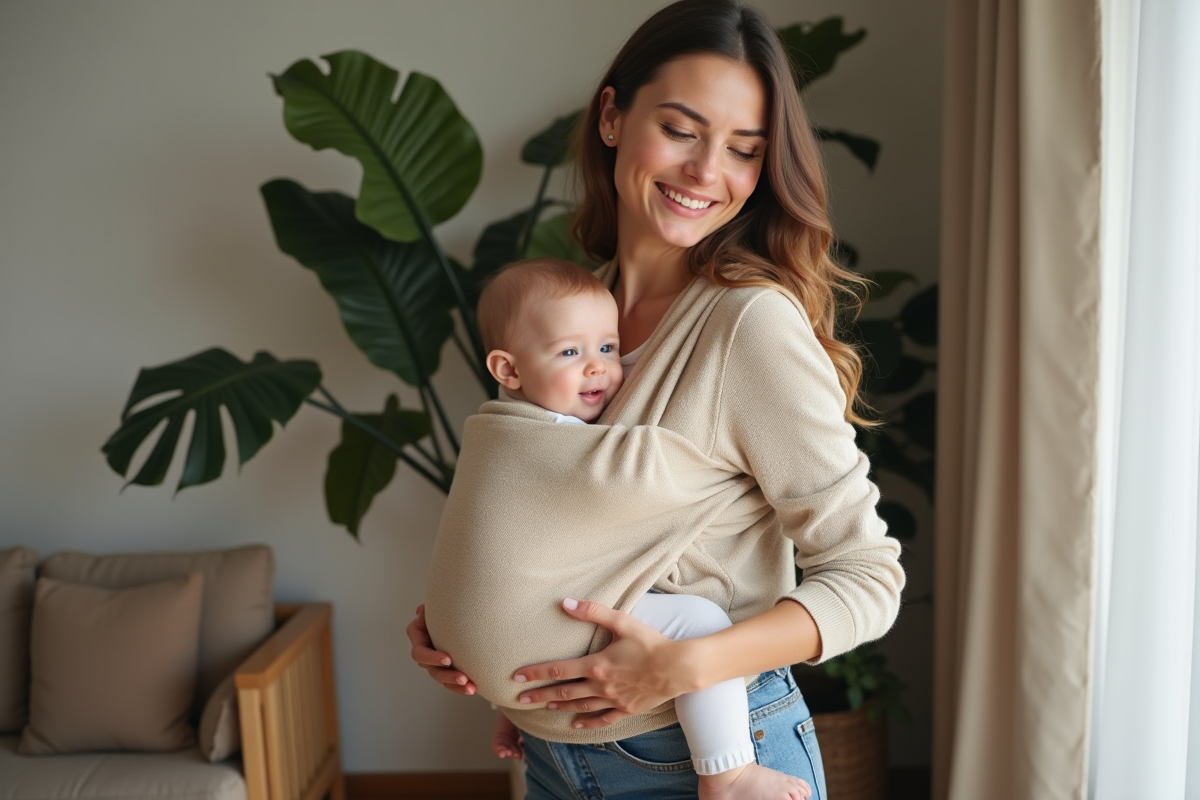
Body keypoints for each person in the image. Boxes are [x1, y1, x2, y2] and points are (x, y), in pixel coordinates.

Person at [408, 1, 905, 796]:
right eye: (681, 130)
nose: (709, 172)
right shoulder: (574, 325)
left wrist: (681, 664)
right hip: (552, 752)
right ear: (613, 115)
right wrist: (470, 625)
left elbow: (868, 577)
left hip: (695, 759)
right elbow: (557, 526)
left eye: (744, 150)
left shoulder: (747, 326)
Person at [427, 256, 813, 800]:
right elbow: (513, 555)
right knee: (700, 620)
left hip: (633, 728)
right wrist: (511, 691)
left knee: (703, 630)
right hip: (550, 735)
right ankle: (726, 774)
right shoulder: (525, 439)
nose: (598, 368)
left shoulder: (751, 321)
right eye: (570, 352)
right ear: (508, 371)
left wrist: (497, 665)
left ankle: (725, 770)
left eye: (608, 349)